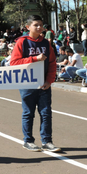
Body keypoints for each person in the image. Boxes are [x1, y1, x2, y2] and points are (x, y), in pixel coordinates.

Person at [10, 15, 60, 152]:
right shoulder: (22, 42)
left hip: (43, 84)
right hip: (27, 84)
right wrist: (34, 59)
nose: (39, 27)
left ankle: (47, 141)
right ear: (28, 27)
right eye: (35, 25)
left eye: (41, 25)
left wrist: (49, 80)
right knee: (28, 113)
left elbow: (52, 63)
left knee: (46, 113)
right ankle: (28, 141)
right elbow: (14, 63)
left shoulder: (46, 43)